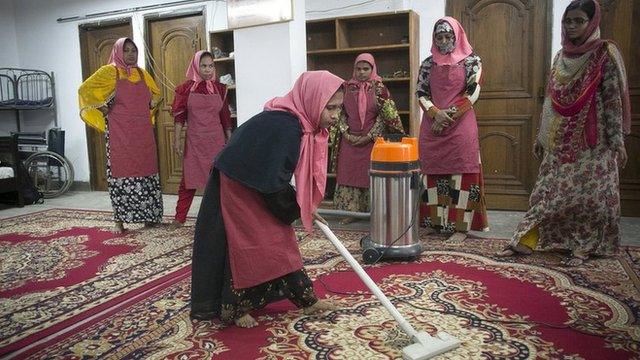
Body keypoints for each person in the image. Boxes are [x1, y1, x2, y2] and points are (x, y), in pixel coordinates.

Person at [190, 71, 344, 328]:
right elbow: (273, 180)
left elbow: (274, 176)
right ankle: (235, 308)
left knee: (279, 240)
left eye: (339, 108)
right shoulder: (287, 127)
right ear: (313, 99)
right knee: (249, 243)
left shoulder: (300, 125)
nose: (335, 116)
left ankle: (306, 300)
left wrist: (301, 206)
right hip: (238, 182)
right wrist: (295, 208)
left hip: (258, 180)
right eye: (330, 108)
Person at [497, 0, 630, 266]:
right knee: (546, 192)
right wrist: (541, 136)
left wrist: (618, 142)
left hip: (595, 140)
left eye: (579, 21)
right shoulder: (560, 56)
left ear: (591, 22)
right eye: (568, 21)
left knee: (589, 197)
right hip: (560, 138)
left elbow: (613, 100)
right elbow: (551, 99)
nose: (571, 27)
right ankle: (524, 241)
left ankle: (583, 247)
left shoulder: (605, 53)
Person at [78, 37, 164, 233]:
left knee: (147, 172)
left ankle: (148, 217)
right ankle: (119, 220)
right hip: (120, 135)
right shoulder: (109, 72)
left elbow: (157, 94)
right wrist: (103, 109)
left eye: (134, 50)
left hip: (142, 135)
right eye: (126, 50)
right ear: (118, 52)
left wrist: (152, 104)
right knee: (121, 174)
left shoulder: (142, 74)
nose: (131, 54)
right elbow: (85, 90)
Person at [416, 17, 489, 241]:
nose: (444, 41)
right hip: (432, 126)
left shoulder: (472, 61)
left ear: (457, 37)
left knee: (462, 175)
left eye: (449, 36)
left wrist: (446, 116)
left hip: (461, 126)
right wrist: (435, 113)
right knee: (432, 175)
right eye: (440, 37)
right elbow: (421, 93)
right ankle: (435, 223)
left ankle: (460, 228)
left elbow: (472, 92)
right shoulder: (428, 64)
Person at [332, 53, 405, 225]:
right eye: (358, 69)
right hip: (349, 141)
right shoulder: (345, 88)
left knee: (370, 175)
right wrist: (346, 133)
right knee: (348, 174)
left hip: (372, 142)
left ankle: (373, 212)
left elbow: (385, 116)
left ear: (373, 69)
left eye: (366, 69)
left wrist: (369, 136)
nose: (361, 72)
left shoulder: (380, 90)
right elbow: (339, 113)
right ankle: (349, 212)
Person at [171, 50, 232, 227]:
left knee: (220, 182)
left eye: (211, 66)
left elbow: (225, 117)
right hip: (195, 142)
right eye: (203, 66)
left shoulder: (220, 89)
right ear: (196, 67)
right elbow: (179, 117)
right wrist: (176, 140)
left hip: (216, 142)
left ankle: (223, 218)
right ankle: (179, 217)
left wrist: (230, 140)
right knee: (188, 181)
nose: (207, 70)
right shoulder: (185, 89)